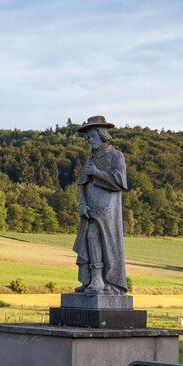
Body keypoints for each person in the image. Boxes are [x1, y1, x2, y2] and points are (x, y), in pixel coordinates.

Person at [73, 116, 129, 295]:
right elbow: (82, 183)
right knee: (88, 240)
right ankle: (90, 278)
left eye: (91, 135)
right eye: (87, 136)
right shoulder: (90, 157)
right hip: (90, 206)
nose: (89, 139)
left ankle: (100, 279)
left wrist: (97, 173)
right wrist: (82, 203)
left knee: (97, 237)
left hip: (107, 210)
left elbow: (120, 181)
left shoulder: (116, 155)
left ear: (102, 134)